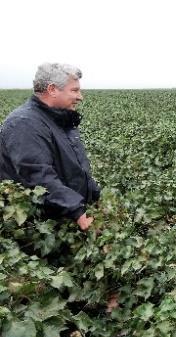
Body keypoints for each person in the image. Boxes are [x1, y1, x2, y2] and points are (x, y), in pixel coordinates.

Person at [0, 63, 100, 231]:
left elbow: (77, 169)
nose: (80, 97)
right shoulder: (24, 123)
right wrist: (76, 211)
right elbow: (38, 176)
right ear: (52, 89)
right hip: (37, 226)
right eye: (74, 90)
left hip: (64, 215)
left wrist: (95, 196)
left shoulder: (61, 119)